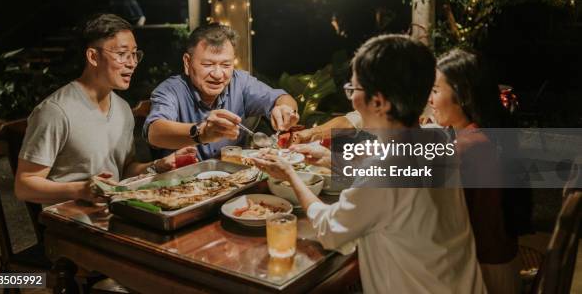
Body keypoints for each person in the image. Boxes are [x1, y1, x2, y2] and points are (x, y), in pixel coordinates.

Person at [252, 35, 486, 294]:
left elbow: (330, 230)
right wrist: (330, 160)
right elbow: (397, 191)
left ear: (378, 101)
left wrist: (290, 175)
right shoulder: (438, 138)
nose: (351, 99)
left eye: (353, 90)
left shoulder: (387, 170)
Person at [15, 14, 195, 205]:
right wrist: (81, 189)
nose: (132, 63)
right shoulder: (55, 111)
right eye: (122, 54)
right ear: (93, 56)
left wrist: (158, 165)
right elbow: (24, 186)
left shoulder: (123, 109)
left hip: (113, 212)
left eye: (134, 54)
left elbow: (124, 170)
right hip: (68, 222)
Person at [430, 49, 521, 294]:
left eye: (436, 91)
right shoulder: (485, 135)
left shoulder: (468, 147)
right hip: (500, 264)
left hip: (483, 276)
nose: (430, 100)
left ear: (463, 96)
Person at [144, 24, 299, 160]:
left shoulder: (241, 82)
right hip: (183, 185)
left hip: (235, 180)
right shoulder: (171, 90)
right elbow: (154, 132)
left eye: (226, 65)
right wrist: (202, 132)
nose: (218, 74)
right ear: (187, 62)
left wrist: (285, 109)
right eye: (208, 64)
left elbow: (281, 97)